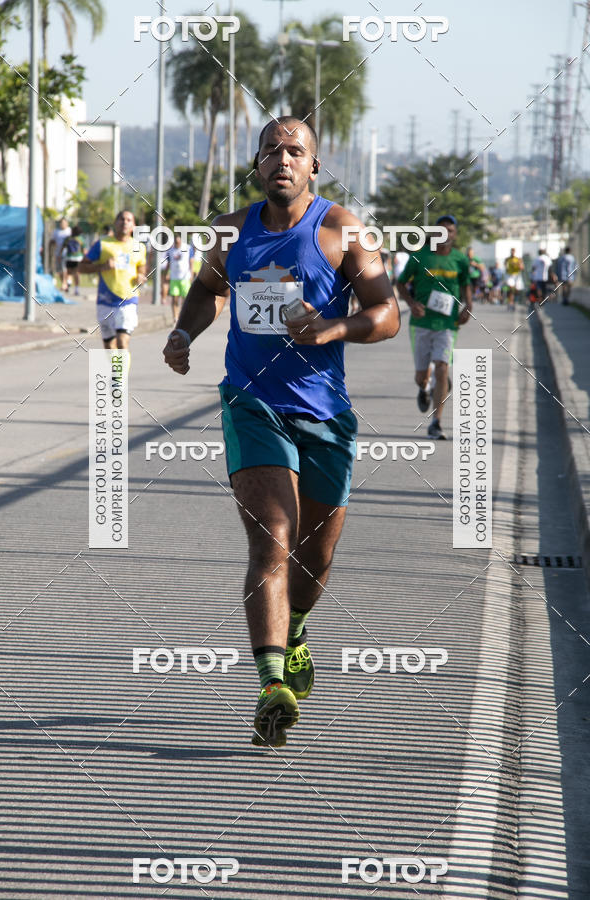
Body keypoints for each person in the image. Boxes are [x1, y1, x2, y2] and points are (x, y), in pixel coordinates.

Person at [163, 116, 400, 747]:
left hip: (324, 411)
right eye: (271, 151)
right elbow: (208, 289)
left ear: (313, 166)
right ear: (258, 164)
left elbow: (386, 313)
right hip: (251, 401)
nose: (282, 160)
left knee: (314, 560)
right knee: (273, 538)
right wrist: (186, 331)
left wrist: (332, 329)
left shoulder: (340, 228)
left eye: (295, 151)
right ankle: (272, 687)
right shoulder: (230, 230)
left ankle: (295, 631)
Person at [396, 214, 472, 440]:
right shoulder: (419, 257)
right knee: (421, 376)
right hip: (420, 323)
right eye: (441, 230)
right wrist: (411, 303)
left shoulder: (460, 259)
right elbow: (400, 283)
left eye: (450, 230)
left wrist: (469, 305)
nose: (446, 234)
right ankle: (424, 387)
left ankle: (436, 422)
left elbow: (466, 283)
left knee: (442, 366)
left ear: (455, 235)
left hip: (447, 324)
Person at [78, 210, 147, 350]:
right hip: (105, 300)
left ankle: (121, 373)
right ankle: (115, 372)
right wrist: (101, 266)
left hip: (128, 300)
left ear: (133, 226)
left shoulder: (139, 247)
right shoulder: (102, 244)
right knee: (109, 347)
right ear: (115, 223)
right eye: (121, 219)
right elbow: (81, 267)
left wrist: (141, 277)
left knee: (122, 343)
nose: (125, 222)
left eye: (129, 220)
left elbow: (141, 268)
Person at [163, 233, 194, 324]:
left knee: (185, 299)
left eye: (178, 241)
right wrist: (166, 274)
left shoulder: (187, 248)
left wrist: (191, 274)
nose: (177, 243)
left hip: (185, 277)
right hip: (174, 277)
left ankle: (183, 317)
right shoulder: (171, 250)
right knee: (175, 298)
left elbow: (191, 262)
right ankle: (175, 318)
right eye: (175, 242)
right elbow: (168, 263)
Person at [61, 225, 84, 296]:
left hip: (69, 257)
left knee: (69, 273)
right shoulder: (80, 239)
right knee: (76, 274)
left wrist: (60, 255)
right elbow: (83, 249)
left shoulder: (68, 238)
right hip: (78, 258)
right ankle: (76, 289)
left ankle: (68, 285)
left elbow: (63, 247)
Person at [50, 217, 71, 290]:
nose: (62, 224)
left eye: (64, 223)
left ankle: (64, 283)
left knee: (64, 268)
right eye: (61, 223)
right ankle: (65, 283)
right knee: (59, 270)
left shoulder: (69, 231)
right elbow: (52, 241)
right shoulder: (56, 231)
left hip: (66, 253)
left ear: (67, 223)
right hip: (57, 252)